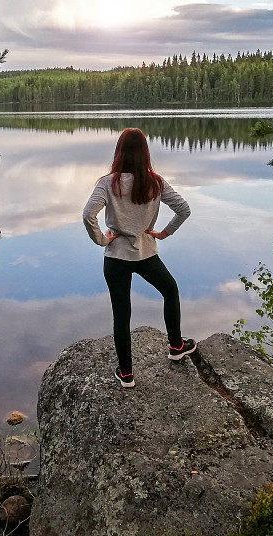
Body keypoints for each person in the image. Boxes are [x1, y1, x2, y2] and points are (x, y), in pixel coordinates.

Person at [82, 127, 193, 389]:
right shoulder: (155, 182)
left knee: (122, 314)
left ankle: (127, 374)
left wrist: (103, 240)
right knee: (170, 291)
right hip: (145, 254)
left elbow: (88, 215)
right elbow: (184, 209)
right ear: (145, 153)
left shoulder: (108, 183)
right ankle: (176, 346)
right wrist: (163, 233)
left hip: (116, 257)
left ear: (119, 152)